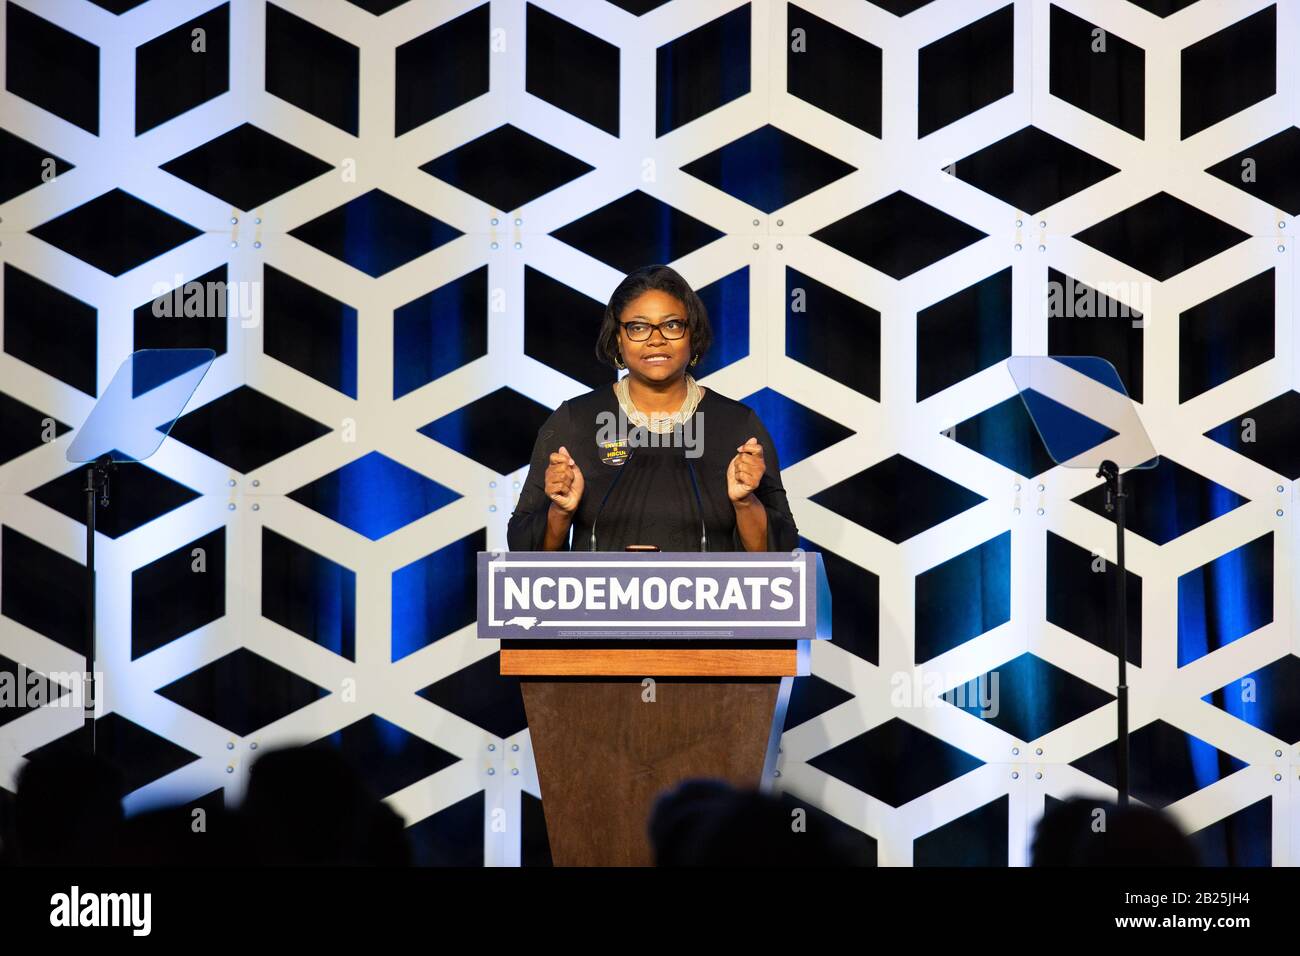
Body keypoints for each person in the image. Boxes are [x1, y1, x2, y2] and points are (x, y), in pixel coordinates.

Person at [508, 264, 798, 552]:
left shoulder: (738, 426)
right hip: (599, 599)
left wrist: (745, 503)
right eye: (638, 327)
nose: (656, 339)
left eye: (671, 325)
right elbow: (523, 552)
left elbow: (781, 556)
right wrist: (560, 511)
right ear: (618, 337)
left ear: (691, 334)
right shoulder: (575, 421)